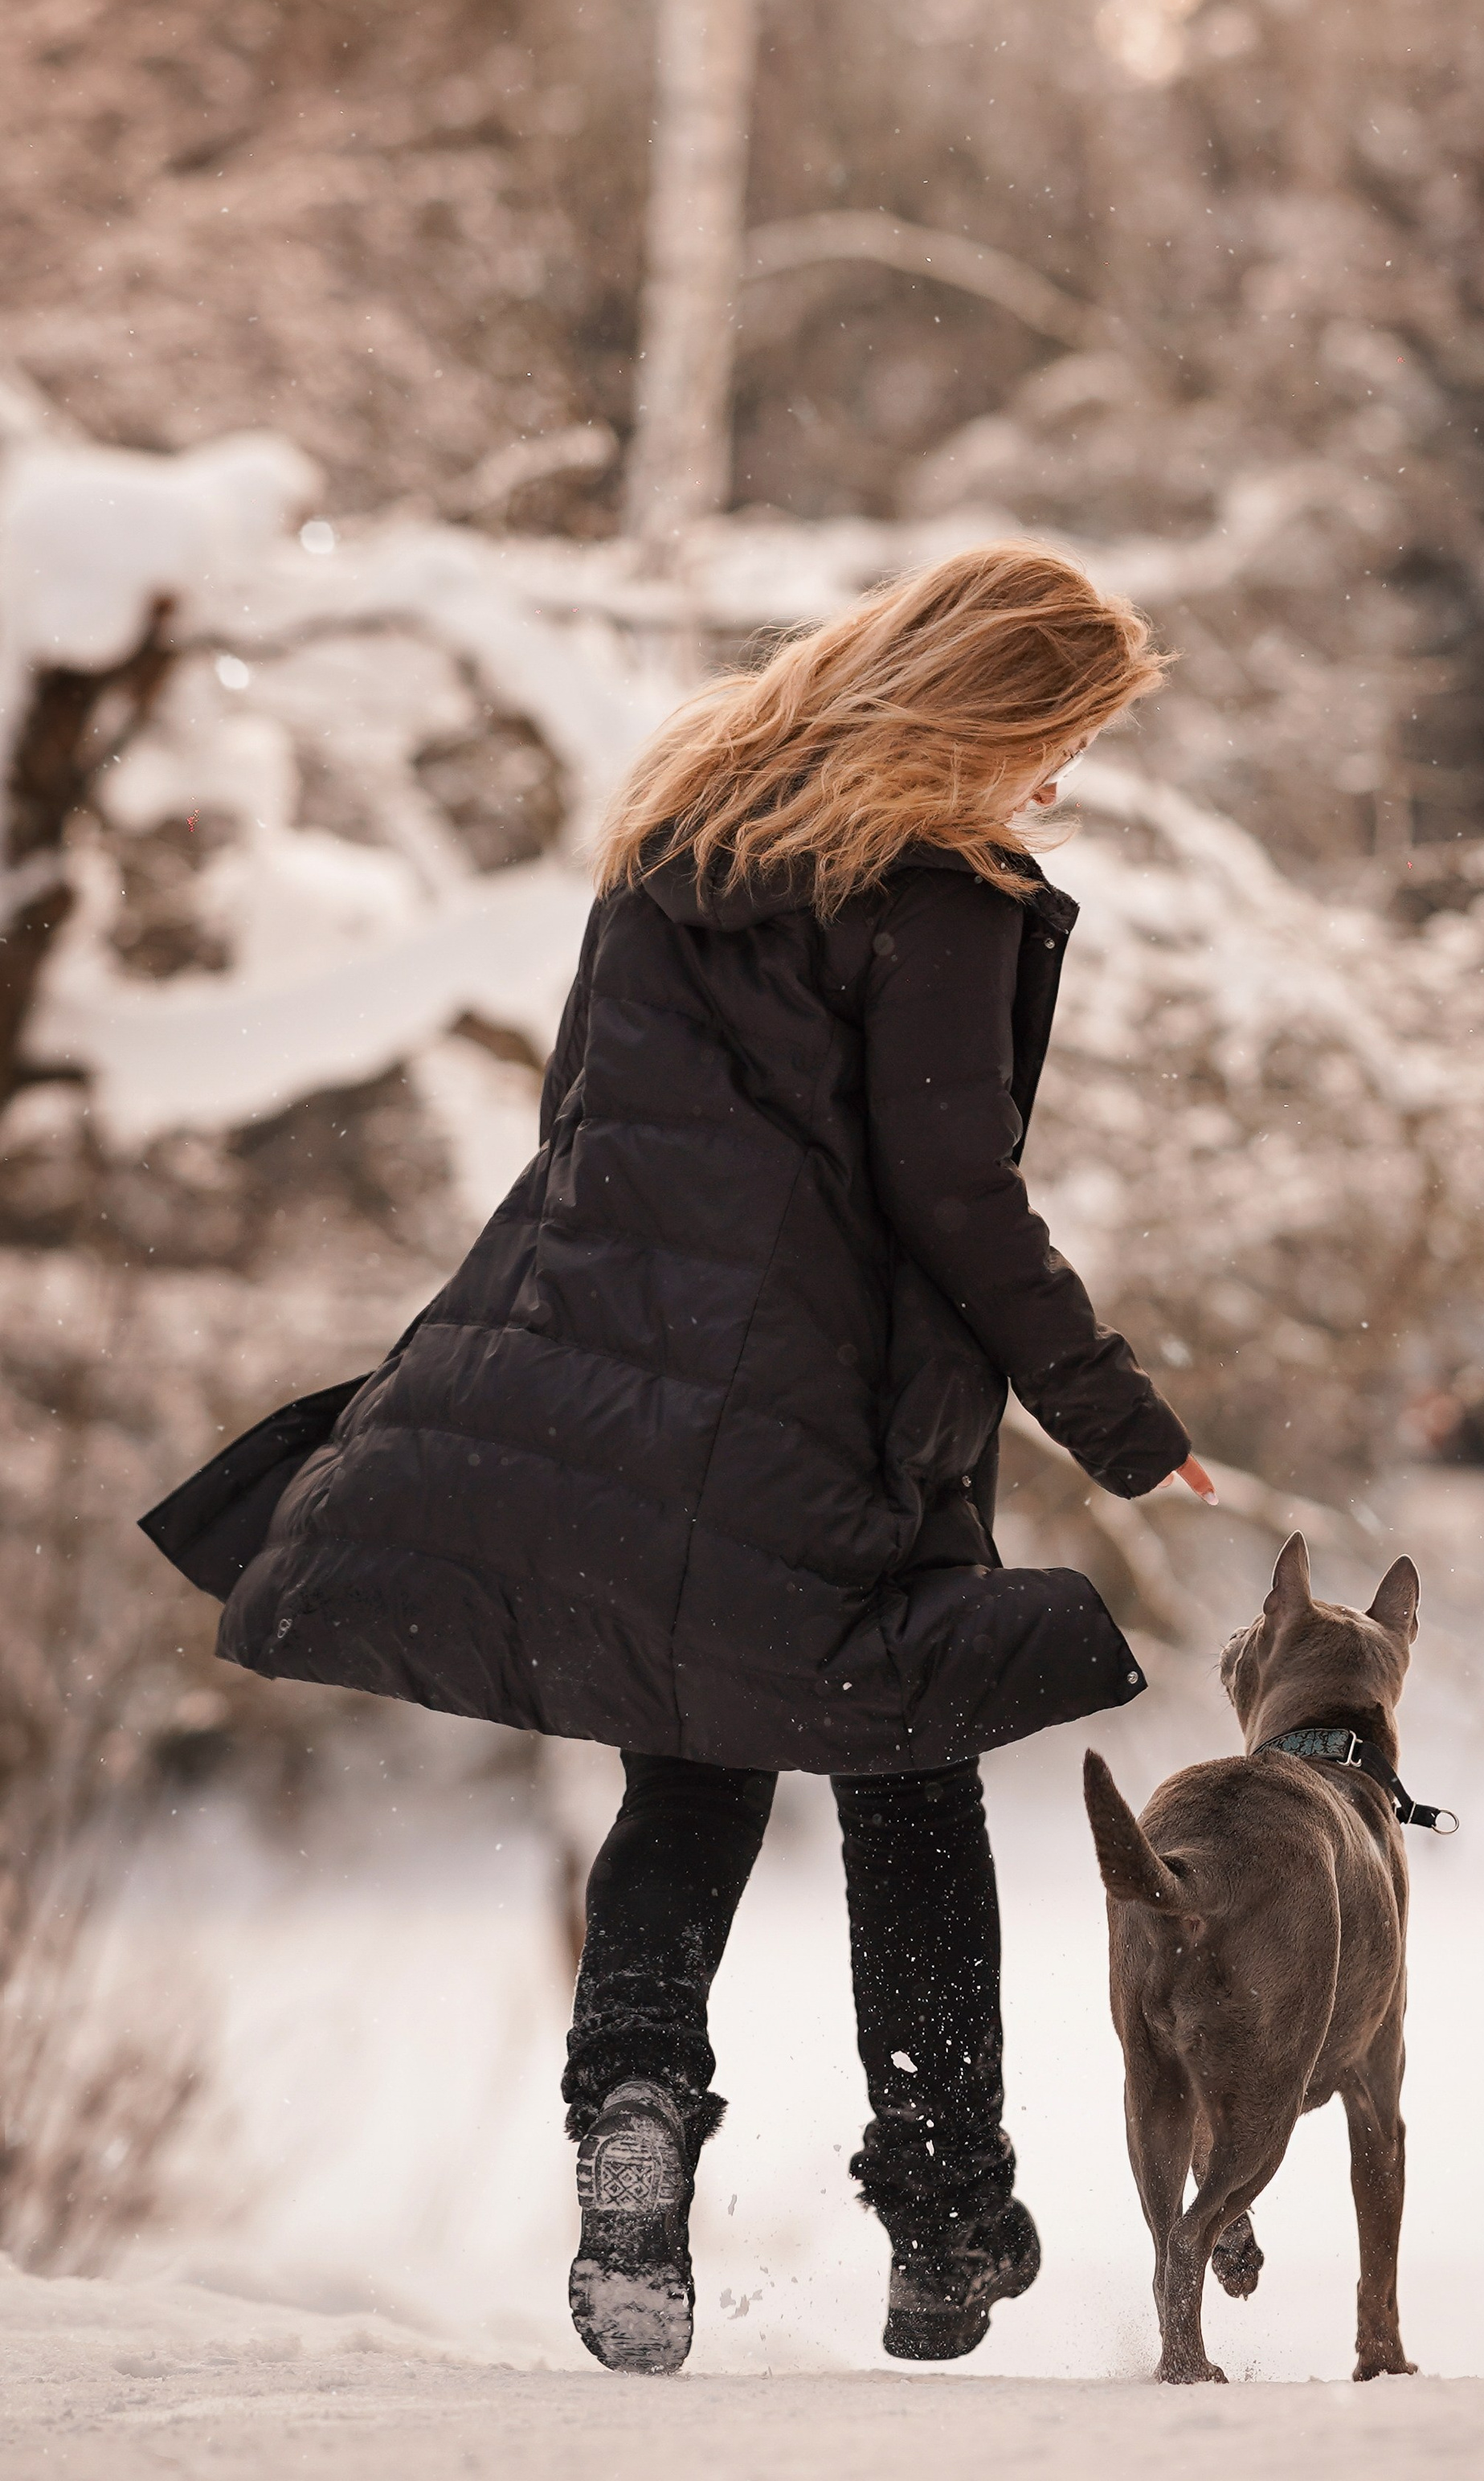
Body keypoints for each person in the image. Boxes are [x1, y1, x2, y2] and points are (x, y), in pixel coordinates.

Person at [145, 542, 1209, 2375]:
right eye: (1061, 736)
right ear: (989, 710)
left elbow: (588, 1127)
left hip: (629, 1392)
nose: (1062, 782)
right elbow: (953, 1194)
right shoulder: (936, 889)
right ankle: (944, 2204)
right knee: (912, 1764)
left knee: (692, 1773)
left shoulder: (682, 836)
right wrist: (1118, 1421)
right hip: (845, 1407)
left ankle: (632, 2112)